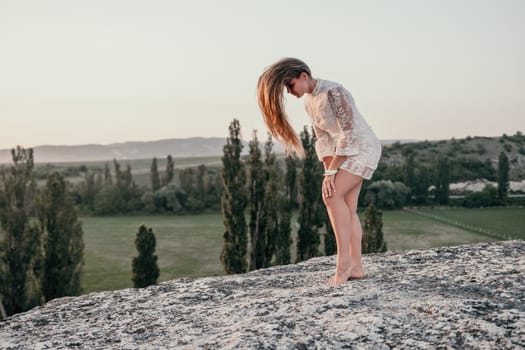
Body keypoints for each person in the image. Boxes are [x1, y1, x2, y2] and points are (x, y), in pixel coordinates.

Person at [257, 57, 382, 286]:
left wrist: (331, 174)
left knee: (332, 196)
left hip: (362, 148)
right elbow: (323, 139)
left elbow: (349, 134)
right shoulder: (309, 102)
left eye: (290, 85)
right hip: (343, 153)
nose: (289, 92)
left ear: (303, 75)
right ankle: (356, 267)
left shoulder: (335, 92)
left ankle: (342, 266)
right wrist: (328, 173)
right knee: (347, 207)